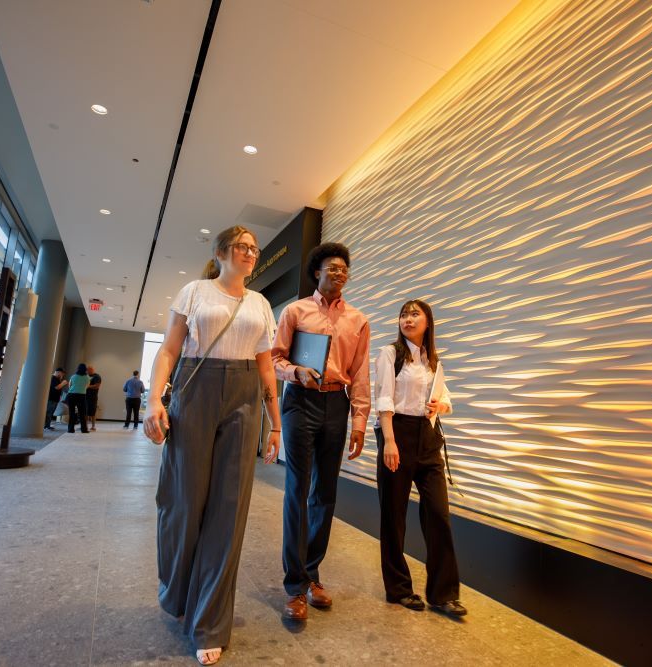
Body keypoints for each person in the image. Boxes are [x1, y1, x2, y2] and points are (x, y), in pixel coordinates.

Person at [143, 225, 281, 666]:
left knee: (229, 512)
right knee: (182, 504)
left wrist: (275, 425)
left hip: (244, 397)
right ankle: (179, 590)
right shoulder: (195, 292)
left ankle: (210, 622)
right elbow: (168, 350)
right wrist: (154, 400)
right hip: (195, 389)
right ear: (221, 252)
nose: (250, 253)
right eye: (242, 246)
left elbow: (265, 368)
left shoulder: (259, 304)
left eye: (254, 249)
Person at [272, 242, 370, 621]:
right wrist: (296, 371)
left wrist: (360, 419)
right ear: (317, 272)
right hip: (299, 400)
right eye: (332, 268)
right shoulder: (295, 311)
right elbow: (275, 357)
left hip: (336, 404)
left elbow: (360, 373)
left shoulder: (358, 320)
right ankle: (294, 586)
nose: (339, 273)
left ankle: (312, 574)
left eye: (344, 269)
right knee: (297, 490)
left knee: (325, 493)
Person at [374, 299, 465, 618]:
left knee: (438, 513)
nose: (407, 319)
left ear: (428, 322)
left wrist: (440, 405)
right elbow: (383, 396)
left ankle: (443, 593)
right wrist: (389, 441)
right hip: (396, 431)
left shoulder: (432, 360)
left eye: (415, 314)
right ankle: (398, 588)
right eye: (403, 314)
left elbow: (446, 397)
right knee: (393, 515)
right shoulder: (390, 354)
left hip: (428, 437)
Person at [66, 364, 90, 433]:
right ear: (85, 369)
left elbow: (69, 385)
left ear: (77, 369)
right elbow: (87, 386)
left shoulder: (73, 376)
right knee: (82, 413)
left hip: (71, 395)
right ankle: (84, 429)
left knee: (72, 412)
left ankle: (70, 429)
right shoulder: (87, 377)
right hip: (81, 396)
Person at [86, 365, 102, 431]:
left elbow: (97, 386)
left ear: (92, 370)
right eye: (87, 370)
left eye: (88, 370)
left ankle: (93, 426)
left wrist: (88, 386)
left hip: (93, 397)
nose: (87, 371)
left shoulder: (97, 376)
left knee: (92, 412)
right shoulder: (86, 376)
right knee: (85, 412)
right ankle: (85, 426)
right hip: (85, 396)